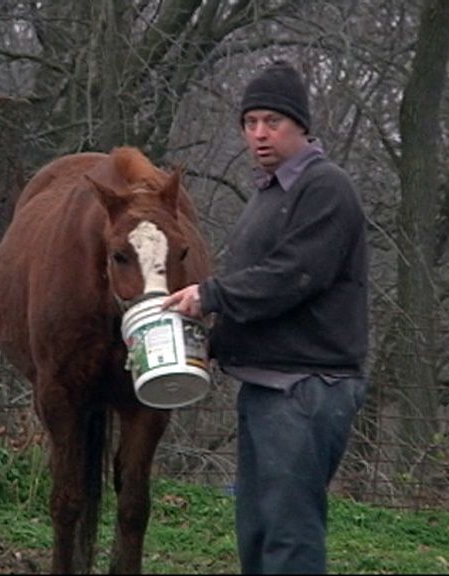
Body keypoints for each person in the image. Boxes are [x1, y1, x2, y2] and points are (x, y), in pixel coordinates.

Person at [163, 60, 369, 574]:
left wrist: (210, 295)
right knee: (256, 532)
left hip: (305, 386)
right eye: (249, 122)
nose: (258, 134)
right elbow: (258, 283)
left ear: (301, 126)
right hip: (264, 385)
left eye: (272, 121)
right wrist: (201, 342)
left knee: (289, 535)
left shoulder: (326, 188)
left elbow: (293, 275)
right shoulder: (269, 192)